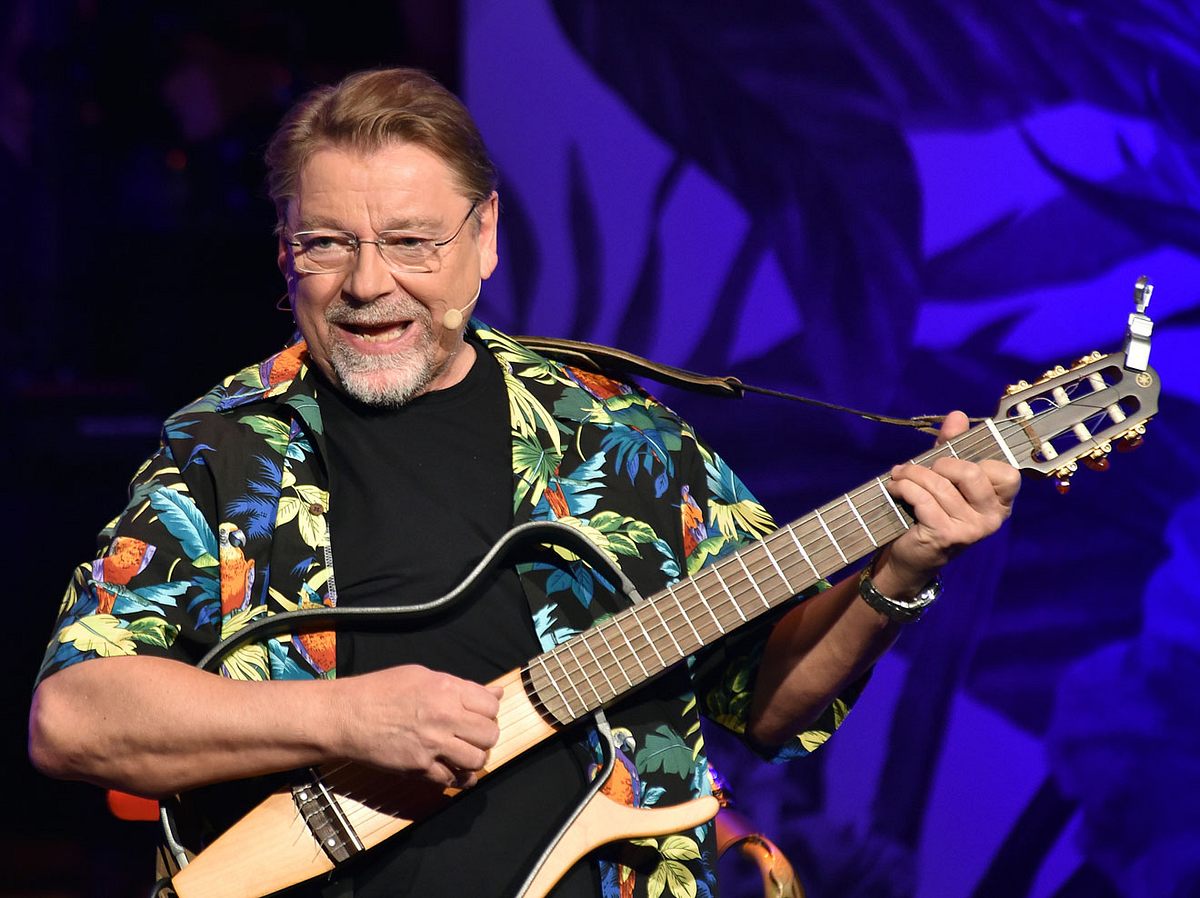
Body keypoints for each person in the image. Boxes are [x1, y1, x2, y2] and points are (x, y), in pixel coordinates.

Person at [28, 68, 1020, 898]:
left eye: (414, 241)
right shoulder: (224, 449)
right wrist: (343, 718)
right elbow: (73, 718)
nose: (369, 283)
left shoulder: (622, 440)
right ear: (283, 251)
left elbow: (769, 705)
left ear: (486, 236)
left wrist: (902, 568)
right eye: (327, 243)